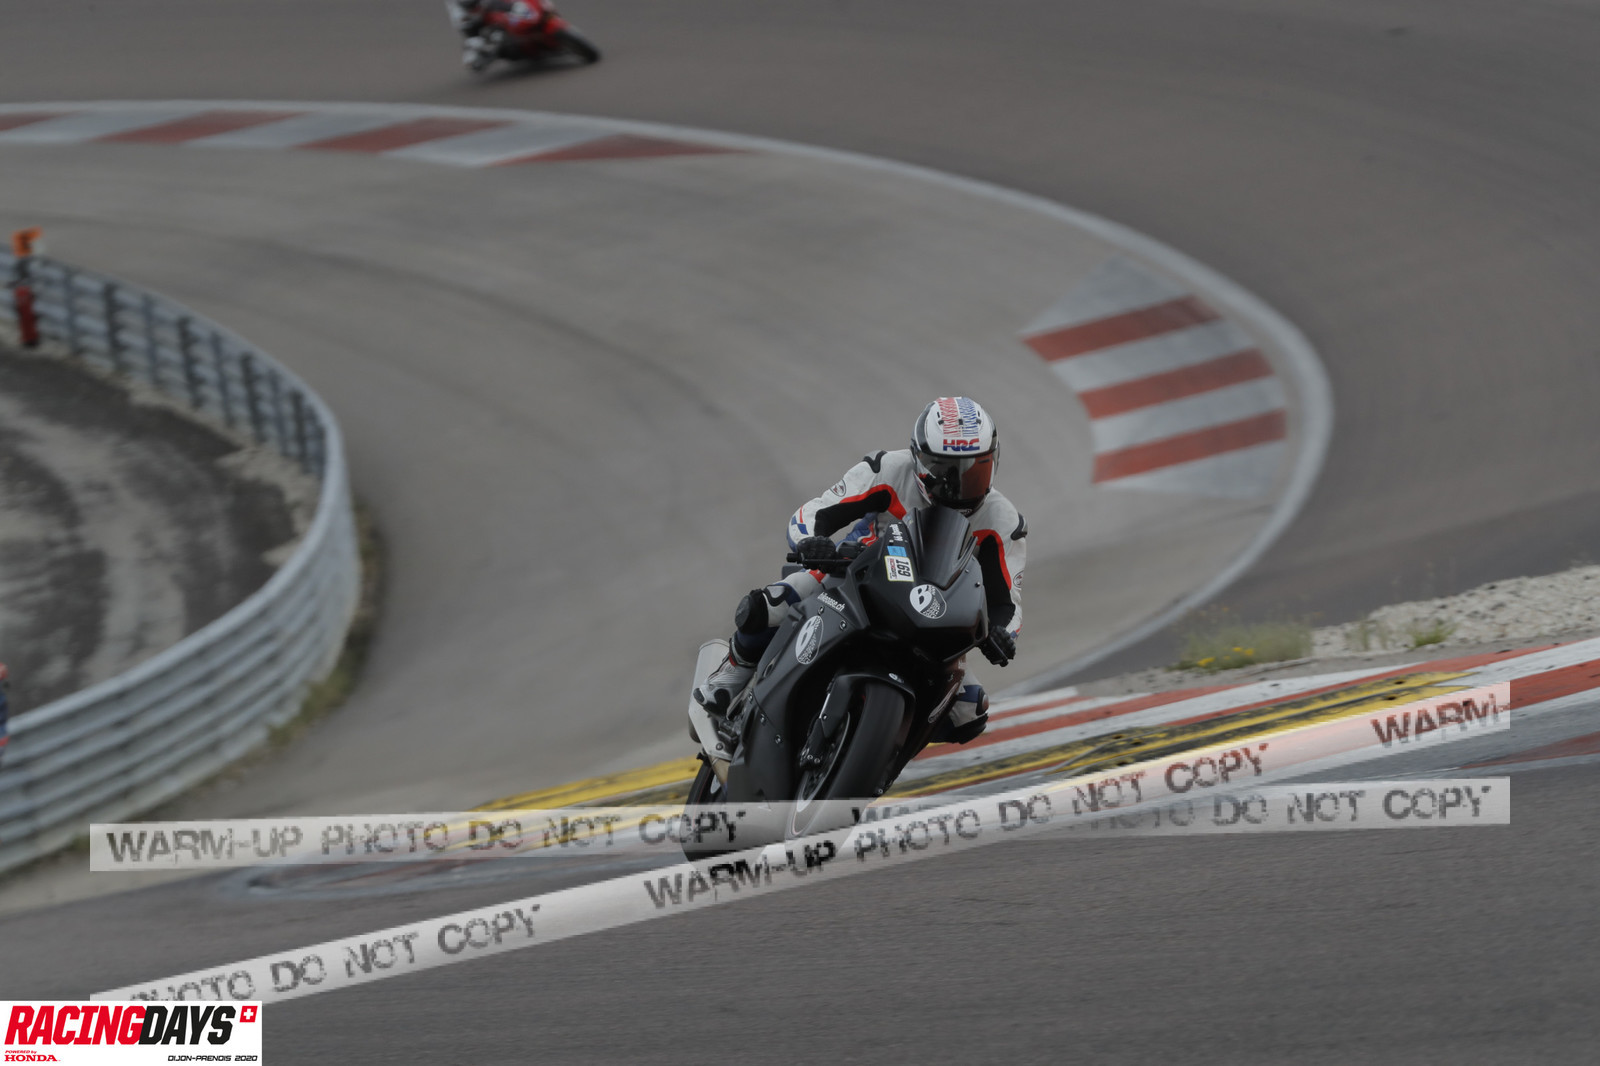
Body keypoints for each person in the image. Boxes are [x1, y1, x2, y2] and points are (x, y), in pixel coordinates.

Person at [694, 396, 1026, 745]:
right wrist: (811, 542)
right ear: (918, 458)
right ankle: (728, 679)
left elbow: (1008, 601)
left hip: (934, 615)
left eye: (974, 471)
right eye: (944, 471)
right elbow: (816, 511)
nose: (956, 486)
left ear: (994, 461)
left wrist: (1002, 634)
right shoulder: (889, 468)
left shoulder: (1003, 521)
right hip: (854, 576)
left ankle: (886, 750)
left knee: (969, 713)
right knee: (769, 605)